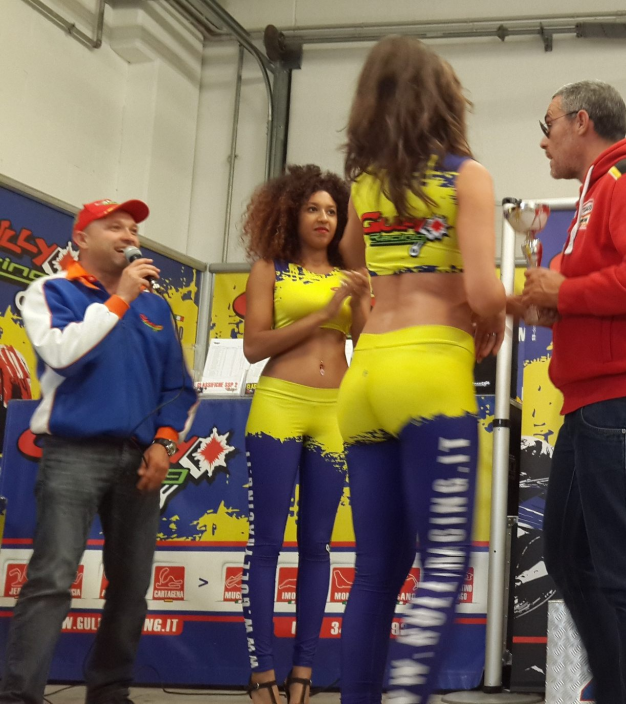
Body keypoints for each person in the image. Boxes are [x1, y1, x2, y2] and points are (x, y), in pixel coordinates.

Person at [335, 36, 505, 704]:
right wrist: (496, 311)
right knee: (442, 566)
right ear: (445, 100)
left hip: (365, 379)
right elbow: (485, 291)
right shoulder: (468, 176)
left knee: (375, 572)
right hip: (430, 376)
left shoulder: (365, 183)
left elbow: (354, 263)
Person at [520, 80, 626, 704]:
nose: (544, 142)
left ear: (581, 121)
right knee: (570, 556)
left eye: (548, 126)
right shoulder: (593, 196)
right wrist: (546, 305)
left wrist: (563, 293)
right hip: (595, 401)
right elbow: (601, 293)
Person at [0, 199, 197, 704]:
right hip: (73, 452)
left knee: (131, 585)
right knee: (52, 577)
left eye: (133, 228)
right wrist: (120, 299)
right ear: (82, 238)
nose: (129, 235)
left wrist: (165, 442)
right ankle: (20, 695)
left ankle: (109, 690)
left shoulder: (156, 307)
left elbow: (177, 386)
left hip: (140, 457)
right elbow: (61, 355)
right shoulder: (51, 291)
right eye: (115, 226)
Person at [239, 164, 369, 704]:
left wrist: (362, 298)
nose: (323, 218)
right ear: (291, 212)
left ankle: (303, 672)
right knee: (267, 542)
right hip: (279, 406)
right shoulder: (269, 268)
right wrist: (326, 311)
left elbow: (365, 341)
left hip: (335, 411)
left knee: (317, 545)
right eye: (313, 208)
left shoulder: (349, 274)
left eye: (332, 210)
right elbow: (254, 346)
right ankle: (262, 673)